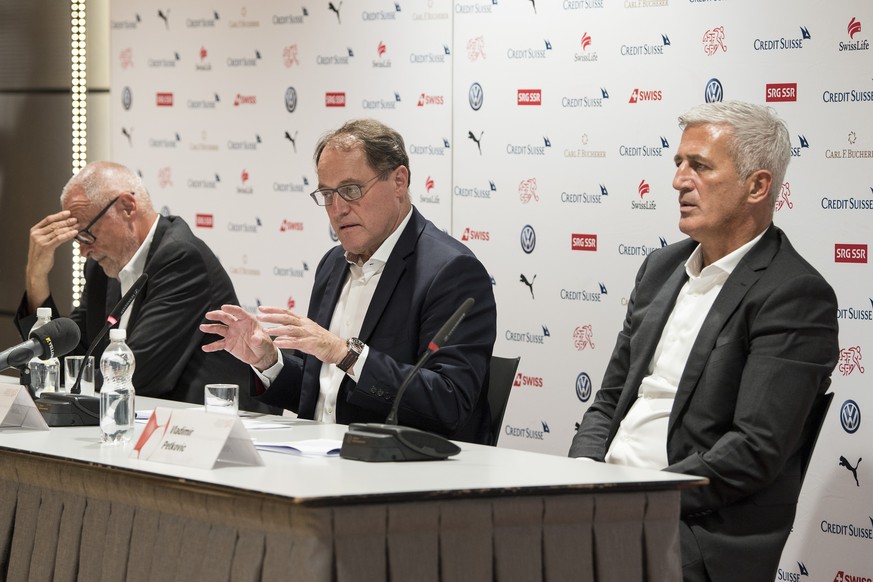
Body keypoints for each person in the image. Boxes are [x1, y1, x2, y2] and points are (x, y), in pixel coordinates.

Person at [568, 101, 839, 581]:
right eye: (678, 164)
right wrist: (580, 478)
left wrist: (635, 499)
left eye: (700, 166)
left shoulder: (793, 293)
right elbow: (609, 400)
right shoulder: (660, 268)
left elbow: (754, 449)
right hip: (612, 501)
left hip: (696, 530)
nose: (678, 181)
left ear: (757, 186)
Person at [201, 118, 497, 444]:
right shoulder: (332, 264)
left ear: (399, 181)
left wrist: (345, 353)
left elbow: (448, 402)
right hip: (314, 459)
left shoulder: (451, 272)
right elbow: (323, 394)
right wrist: (268, 359)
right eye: (327, 194)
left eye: (351, 190)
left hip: (397, 474)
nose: (338, 208)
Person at [15, 161, 261, 409]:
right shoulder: (102, 266)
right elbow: (73, 358)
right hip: (138, 419)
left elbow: (137, 374)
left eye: (86, 233)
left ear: (127, 207)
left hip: (207, 426)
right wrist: (36, 276)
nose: (83, 250)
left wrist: (70, 389)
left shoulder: (181, 258)